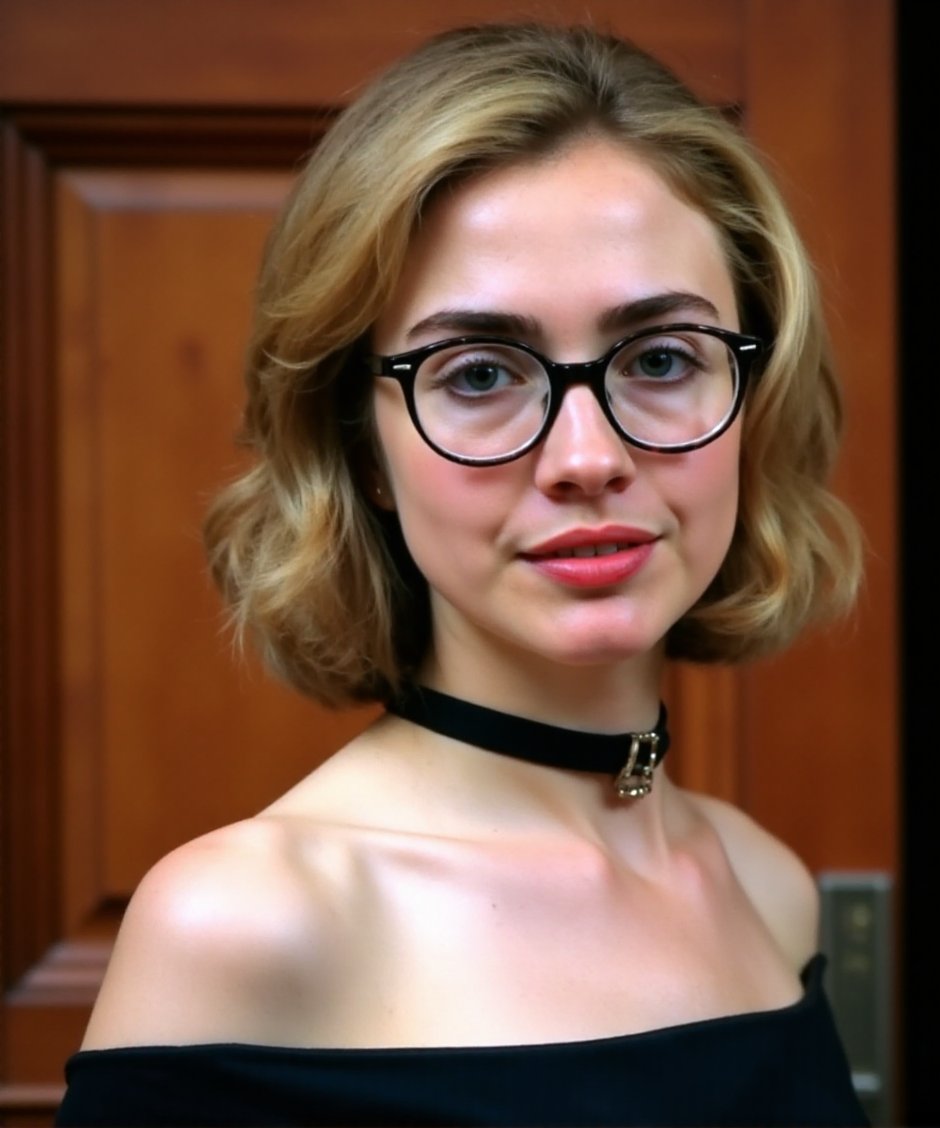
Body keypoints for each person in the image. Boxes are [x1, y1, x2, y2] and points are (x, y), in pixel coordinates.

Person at [56, 21, 866, 1128]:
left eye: (663, 358)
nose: (589, 459)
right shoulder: (246, 925)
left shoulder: (766, 889)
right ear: (364, 451)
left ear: (753, 399)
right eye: (479, 372)